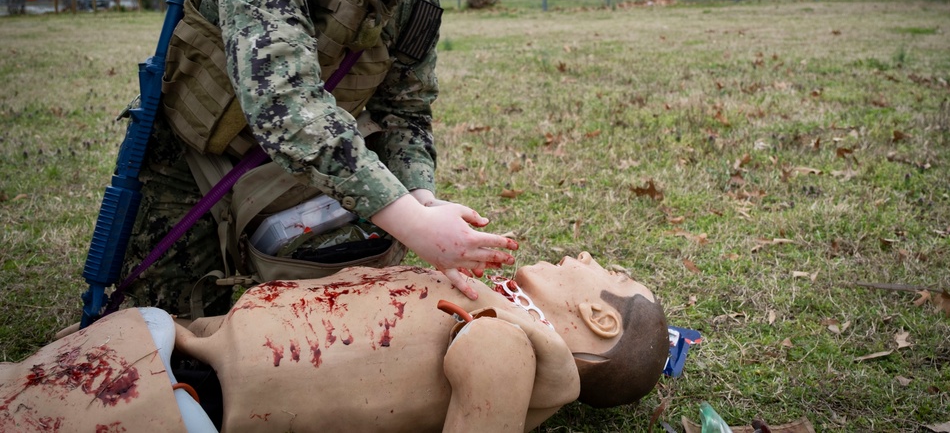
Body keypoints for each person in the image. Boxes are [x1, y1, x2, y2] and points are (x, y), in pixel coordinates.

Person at [121, 0, 517, 318]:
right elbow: (288, 111)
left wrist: (421, 200)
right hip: (192, 168)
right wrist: (411, 224)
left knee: (345, 321)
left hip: (298, 177)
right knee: (160, 332)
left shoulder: (411, 4)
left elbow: (406, 111)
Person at [2, 252, 670, 432]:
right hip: (158, 347)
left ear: (600, 320)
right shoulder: (486, 306)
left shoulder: (505, 347)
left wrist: (548, 355)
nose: (585, 252)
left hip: (169, 399)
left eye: (610, 272)